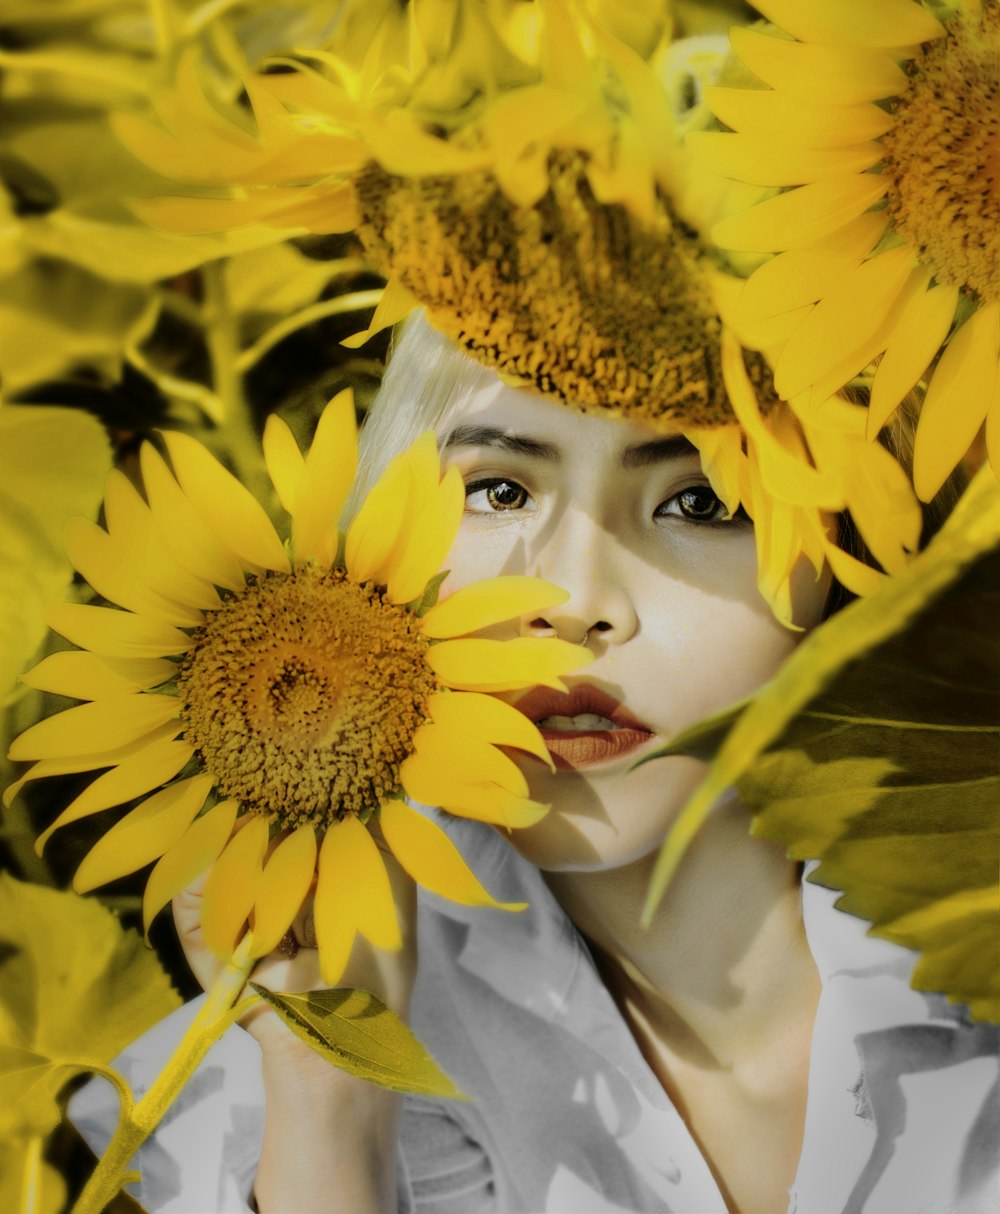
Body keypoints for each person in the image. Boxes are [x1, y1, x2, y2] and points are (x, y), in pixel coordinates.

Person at [71, 311, 998, 1214]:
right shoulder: (312, 1039)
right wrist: (334, 1091)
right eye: (500, 490)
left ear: (852, 565)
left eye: (703, 501)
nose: (571, 598)